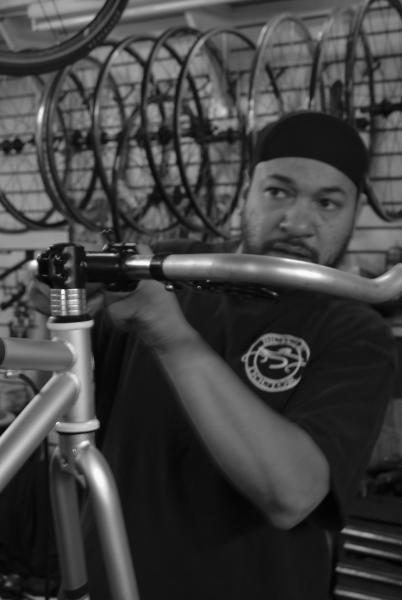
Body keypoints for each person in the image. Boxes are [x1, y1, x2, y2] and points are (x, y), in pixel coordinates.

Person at [33, 111, 397, 600]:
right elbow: (58, 392)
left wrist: (173, 338)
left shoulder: (357, 333)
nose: (296, 222)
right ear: (247, 190)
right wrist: (55, 307)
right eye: (278, 191)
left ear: (354, 213)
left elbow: (291, 495)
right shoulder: (167, 270)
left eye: (327, 203)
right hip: (112, 584)